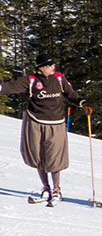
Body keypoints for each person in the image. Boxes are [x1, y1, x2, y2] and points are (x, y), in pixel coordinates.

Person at [0, 54, 90, 205]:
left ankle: (56, 189)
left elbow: (70, 94)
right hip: (36, 121)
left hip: (56, 123)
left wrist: (82, 102)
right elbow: (12, 87)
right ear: (40, 67)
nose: (52, 68)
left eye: (53, 65)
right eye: (48, 66)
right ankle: (46, 187)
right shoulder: (32, 80)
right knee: (38, 155)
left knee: (54, 157)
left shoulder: (59, 78)